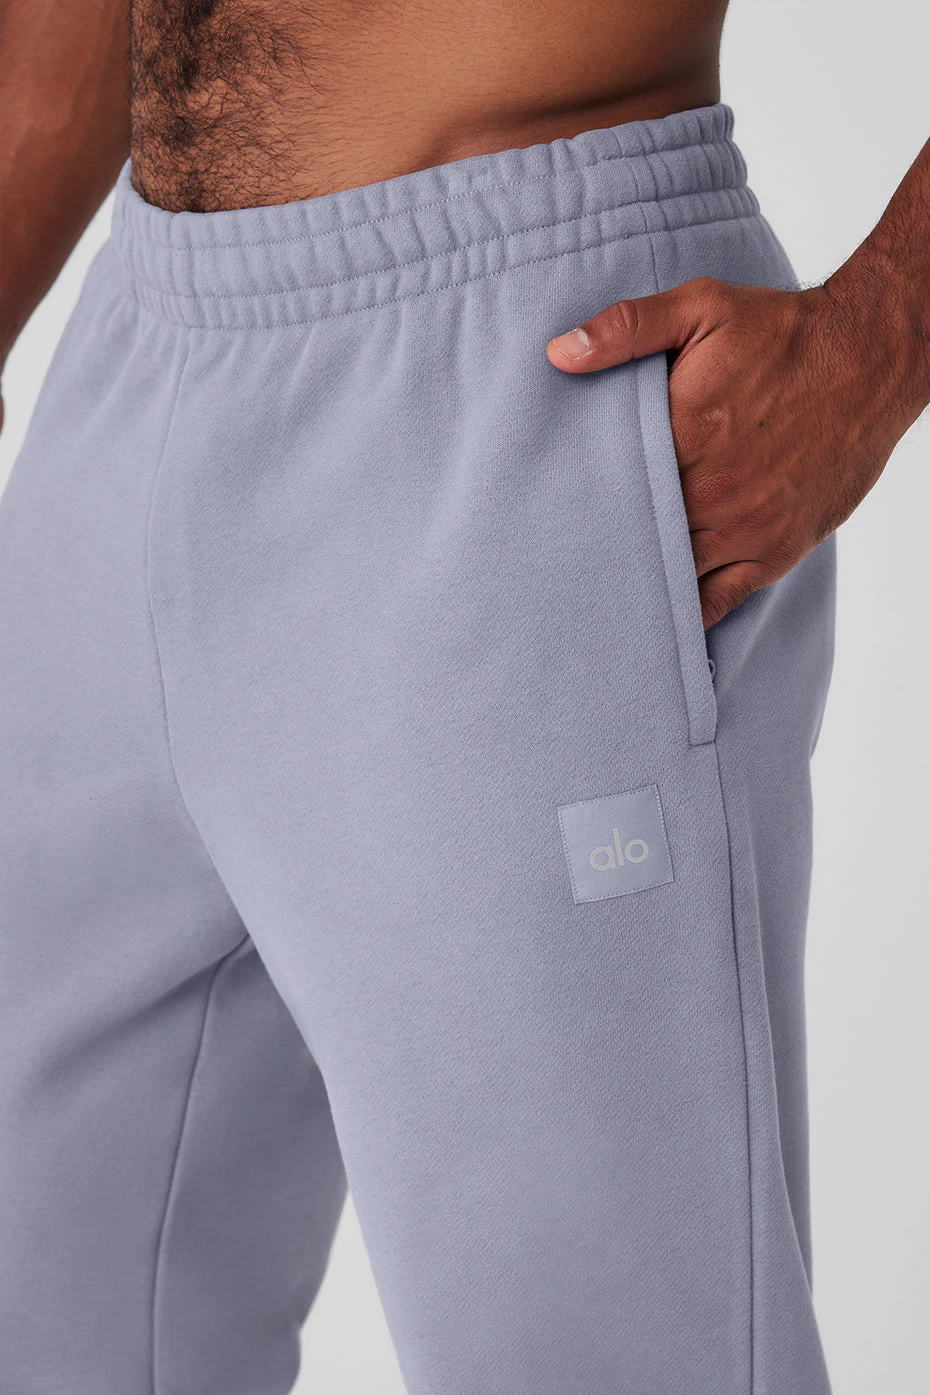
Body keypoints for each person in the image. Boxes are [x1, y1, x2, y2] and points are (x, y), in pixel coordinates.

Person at [0, 1, 926, 1391]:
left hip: (523, 351)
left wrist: (879, 337)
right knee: (40, 1310)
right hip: (127, 359)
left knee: (600, 1354)